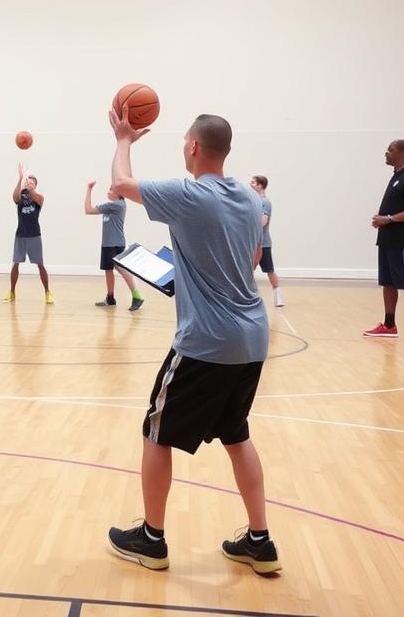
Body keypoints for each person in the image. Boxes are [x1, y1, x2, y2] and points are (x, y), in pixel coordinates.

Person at [105, 110, 280, 575]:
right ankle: (259, 541)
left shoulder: (188, 194)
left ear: (194, 148)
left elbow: (122, 182)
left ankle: (151, 539)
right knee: (236, 432)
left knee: (156, 433)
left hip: (207, 341)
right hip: (252, 337)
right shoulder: (248, 197)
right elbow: (246, 257)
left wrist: (124, 138)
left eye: (185, 140)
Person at [363, 139, 404, 346]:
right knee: (388, 283)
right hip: (388, 240)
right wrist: (382, 221)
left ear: (402, 153)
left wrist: (389, 219)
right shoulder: (397, 177)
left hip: (402, 243)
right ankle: (389, 325)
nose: (386, 153)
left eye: (390, 150)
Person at [84, 181, 143, 311]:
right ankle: (110, 298)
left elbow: (88, 210)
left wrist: (89, 189)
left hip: (115, 243)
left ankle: (137, 296)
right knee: (108, 269)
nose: (109, 191)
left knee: (121, 269)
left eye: (111, 189)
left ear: (119, 194)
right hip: (107, 244)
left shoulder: (117, 205)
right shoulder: (111, 207)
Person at [4, 163, 53, 304]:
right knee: (15, 264)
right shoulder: (20, 198)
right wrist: (20, 178)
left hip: (34, 236)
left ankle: (47, 292)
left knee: (40, 264)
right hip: (20, 235)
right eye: (28, 181)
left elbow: (34, 195)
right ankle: (12, 292)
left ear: (35, 185)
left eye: (32, 182)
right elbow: (14, 197)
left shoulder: (39, 198)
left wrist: (28, 186)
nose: (29, 182)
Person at [249, 175, 284, 307]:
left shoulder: (265, 202)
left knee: (269, 269)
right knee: (248, 269)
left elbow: (263, 221)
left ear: (260, 185)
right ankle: (249, 296)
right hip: (253, 243)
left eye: (253, 182)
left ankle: (278, 295)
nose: (250, 184)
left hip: (263, 244)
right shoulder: (255, 201)